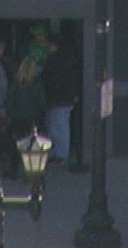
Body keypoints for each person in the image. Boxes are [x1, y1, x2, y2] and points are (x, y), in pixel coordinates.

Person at [3, 58, 46, 178]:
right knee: (30, 147)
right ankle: (29, 172)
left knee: (15, 146)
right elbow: (41, 102)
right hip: (32, 118)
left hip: (17, 118)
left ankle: (13, 170)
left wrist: (9, 112)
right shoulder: (37, 83)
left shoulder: (16, 82)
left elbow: (9, 100)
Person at [42, 36, 78, 166]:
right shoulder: (66, 61)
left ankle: (61, 154)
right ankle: (57, 153)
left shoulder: (56, 61)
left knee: (58, 127)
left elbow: (53, 80)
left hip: (58, 100)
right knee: (55, 127)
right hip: (61, 100)